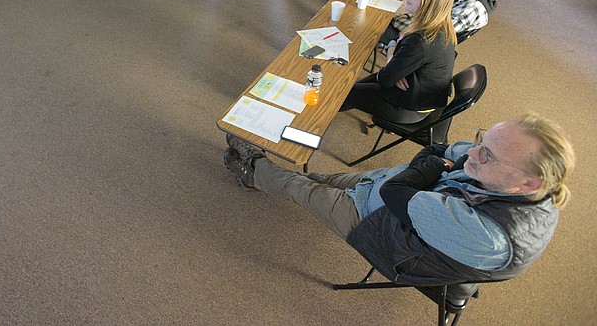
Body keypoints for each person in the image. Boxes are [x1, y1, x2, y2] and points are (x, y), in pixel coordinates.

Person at [224, 112, 574, 290]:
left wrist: (431, 168)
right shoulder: (509, 175)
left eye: (488, 155)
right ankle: (262, 176)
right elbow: (439, 149)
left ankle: (253, 168)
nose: (474, 153)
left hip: (379, 227)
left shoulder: (491, 238)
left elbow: (399, 193)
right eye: (483, 139)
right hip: (388, 191)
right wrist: (432, 167)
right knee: (320, 181)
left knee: (300, 189)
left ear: (529, 182)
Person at [342, 0, 457, 125]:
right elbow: (400, 51)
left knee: (345, 93)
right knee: (353, 86)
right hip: (421, 93)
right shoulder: (438, 24)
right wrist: (396, 66)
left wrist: (391, 52)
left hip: (410, 108)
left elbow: (385, 79)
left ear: (430, 2)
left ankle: (310, 122)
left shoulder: (421, 40)